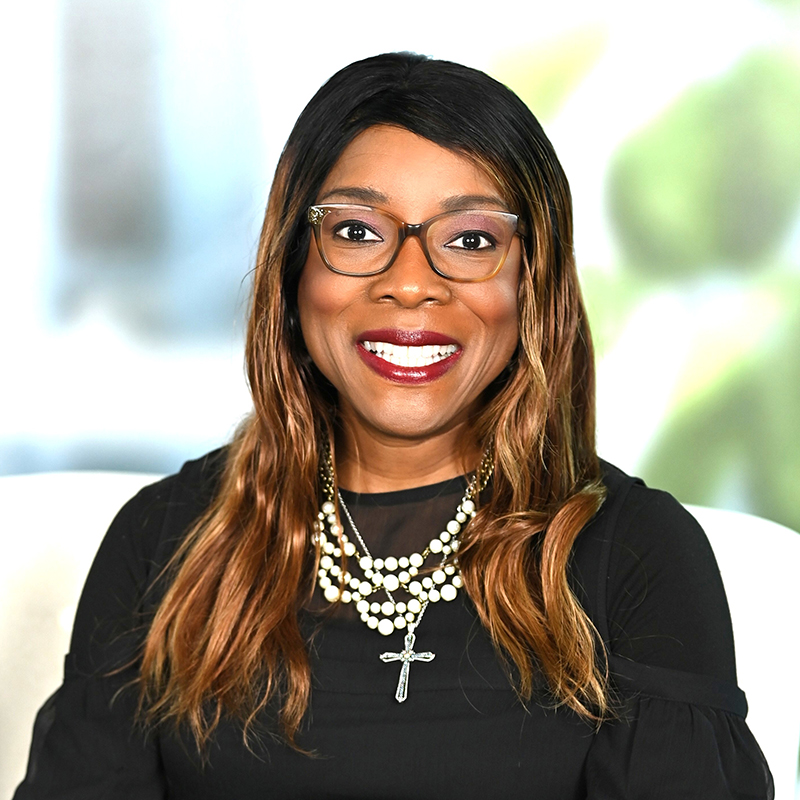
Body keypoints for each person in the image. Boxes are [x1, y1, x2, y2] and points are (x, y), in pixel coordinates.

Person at [15, 52, 773, 799]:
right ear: (294, 268)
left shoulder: (637, 558)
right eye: (357, 232)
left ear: (532, 283)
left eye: (470, 240)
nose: (410, 284)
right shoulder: (164, 542)